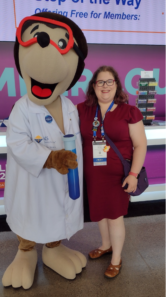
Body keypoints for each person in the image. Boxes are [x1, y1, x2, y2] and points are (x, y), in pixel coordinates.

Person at [77, 66, 147, 278]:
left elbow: (141, 145)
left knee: (115, 216)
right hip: (93, 175)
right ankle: (106, 245)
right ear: (94, 86)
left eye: (109, 82)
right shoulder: (83, 110)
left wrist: (133, 175)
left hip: (119, 177)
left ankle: (116, 259)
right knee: (100, 213)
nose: (105, 86)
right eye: (100, 82)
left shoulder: (129, 111)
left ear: (116, 85)